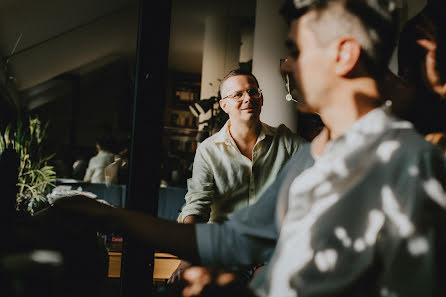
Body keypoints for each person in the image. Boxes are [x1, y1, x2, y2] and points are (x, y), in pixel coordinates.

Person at [40, 0, 446, 296]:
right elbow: (234, 241)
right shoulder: (314, 153)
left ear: (343, 54)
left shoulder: (409, 162)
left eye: (296, 52)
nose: (285, 66)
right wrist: (109, 217)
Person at [179, 69, 305, 224]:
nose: (248, 98)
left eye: (253, 92)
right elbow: (197, 204)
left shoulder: (284, 140)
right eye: (238, 95)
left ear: (261, 99)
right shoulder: (208, 150)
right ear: (224, 106)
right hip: (224, 241)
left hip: (270, 242)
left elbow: (323, 160)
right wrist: (187, 242)